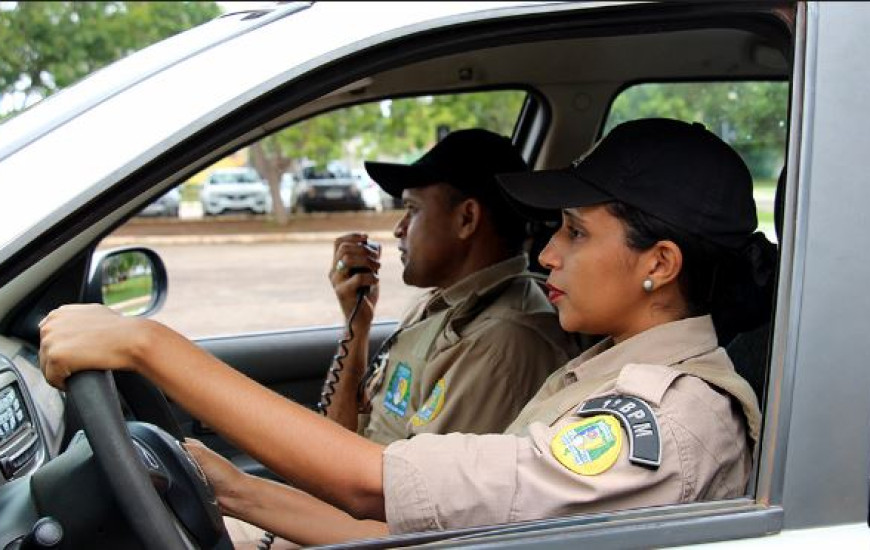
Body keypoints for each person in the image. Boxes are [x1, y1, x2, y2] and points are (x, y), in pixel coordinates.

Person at [39, 118, 763, 545]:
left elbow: (369, 486)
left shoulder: (667, 421)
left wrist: (148, 345)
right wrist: (232, 490)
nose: (546, 253)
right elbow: (418, 534)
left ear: (659, 265)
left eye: (574, 233)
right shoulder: (604, 370)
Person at [322, 128, 578, 444]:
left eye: (413, 210)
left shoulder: (501, 343)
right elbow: (343, 438)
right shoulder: (441, 303)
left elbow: (403, 489)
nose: (399, 229)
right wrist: (356, 324)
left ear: (466, 219)